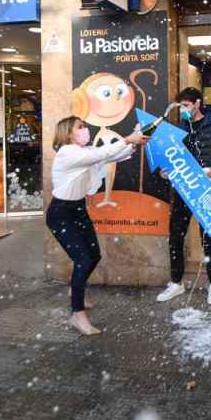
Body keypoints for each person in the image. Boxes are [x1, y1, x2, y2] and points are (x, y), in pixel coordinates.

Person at [48, 116, 147, 336]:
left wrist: (133, 142)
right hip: (61, 213)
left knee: (93, 256)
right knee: (82, 259)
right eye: (80, 127)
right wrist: (128, 138)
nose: (85, 130)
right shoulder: (67, 153)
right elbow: (102, 154)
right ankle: (77, 313)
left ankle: (77, 289)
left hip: (78, 210)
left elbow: (112, 156)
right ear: (68, 133)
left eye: (84, 126)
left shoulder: (84, 153)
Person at [156, 87, 211, 306]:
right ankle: (176, 282)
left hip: (206, 189)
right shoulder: (179, 129)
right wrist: (165, 171)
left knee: (208, 239)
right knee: (176, 236)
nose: (184, 110)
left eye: (186, 105)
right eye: (181, 107)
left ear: (197, 103)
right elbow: (171, 157)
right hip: (183, 189)